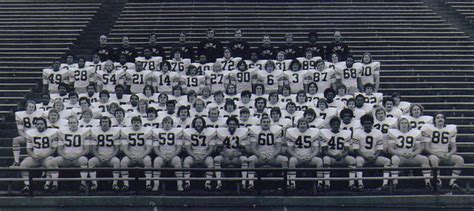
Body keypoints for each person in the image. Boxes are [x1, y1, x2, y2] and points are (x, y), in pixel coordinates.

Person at [421, 113, 464, 189]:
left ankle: (452, 182)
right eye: (438, 118)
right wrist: (437, 154)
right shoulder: (428, 129)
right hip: (433, 154)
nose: (440, 119)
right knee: (434, 160)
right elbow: (426, 148)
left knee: (459, 160)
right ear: (434, 120)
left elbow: (454, 148)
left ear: (444, 120)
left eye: (442, 117)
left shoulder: (450, 129)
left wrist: (449, 154)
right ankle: (437, 180)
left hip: (445, 154)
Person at [388, 117, 431, 190]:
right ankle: (395, 183)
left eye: (405, 123)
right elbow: (390, 149)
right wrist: (400, 153)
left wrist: (413, 153)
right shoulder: (393, 133)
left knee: (424, 159)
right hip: (400, 156)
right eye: (402, 123)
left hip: (411, 156)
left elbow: (419, 149)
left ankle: (427, 182)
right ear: (399, 125)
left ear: (408, 125)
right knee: (394, 159)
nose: (404, 125)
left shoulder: (414, 133)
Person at [248, 116, 288, 189]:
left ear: (270, 123)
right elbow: (253, 148)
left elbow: (279, 147)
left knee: (284, 160)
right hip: (260, 156)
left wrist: (272, 156)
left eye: (267, 122)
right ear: (260, 123)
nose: (266, 124)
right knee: (251, 160)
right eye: (264, 122)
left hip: (272, 156)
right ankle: (251, 184)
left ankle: (285, 183)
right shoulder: (255, 132)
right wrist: (260, 155)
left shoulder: (276, 132)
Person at [19, 118, 58, 192]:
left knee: (52, 163)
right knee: (23, 164)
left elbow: (54, 148)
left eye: (41, 124)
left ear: (45, 125)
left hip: (47, 156)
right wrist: (33, 156)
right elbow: (28, 149)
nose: (39, 126)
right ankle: (27, 184)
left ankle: (48, 183)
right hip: (35, 157)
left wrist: (44, 156)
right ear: (35, 125)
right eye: (38, 124)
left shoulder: (52, 132)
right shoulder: (31, 133)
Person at [353, 114, 391, 190]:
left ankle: (385, 184)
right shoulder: (357, 132)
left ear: (372, 124)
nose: (368, 125)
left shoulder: (378, 132)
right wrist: (365, 156)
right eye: (366, 123)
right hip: (363, 156)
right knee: (358, 161)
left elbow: (379, 148)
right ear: (362, 124)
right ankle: (360, 184)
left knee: (387, 161)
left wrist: (375, 156)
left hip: (374, 156)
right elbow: (356, 149)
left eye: (369, 123)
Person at [53, 116, 90, 191]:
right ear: (68, 124)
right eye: (70, 123)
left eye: (74, 123)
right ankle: (54, 184)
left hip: (78, 157)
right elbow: (59, 150)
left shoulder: (84, 132)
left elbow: (87, 150)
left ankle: (83, 183)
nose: (72, 124)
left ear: (77, 123)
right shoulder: (63, 133)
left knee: (84, 161)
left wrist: (77, 155)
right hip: (66, 157)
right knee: (52, 162)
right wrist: (64, 155)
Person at [286, 118, 323, 190]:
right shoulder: (292, 133)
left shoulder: (313, 133)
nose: (302, 125)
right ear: (298, 125)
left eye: (304, 124)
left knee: (319, 161)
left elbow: (316, 149)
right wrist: (297, 157)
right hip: (297, 157)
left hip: (309, 158)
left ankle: (320, 183)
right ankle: (292, 183)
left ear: (307, 125)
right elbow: (289, 149)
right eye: (301, 124)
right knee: (292, 160)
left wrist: (310, 157)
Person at [321, 117, 356, 191]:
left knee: (352, 160)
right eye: (334, 124)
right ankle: (327, 184)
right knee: (325, 159)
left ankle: (351, 184)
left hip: (342, 157)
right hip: (331, 156)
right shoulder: (325, 133)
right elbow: (324, 151)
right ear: (331, 125)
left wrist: (342, 155)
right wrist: (333, 155)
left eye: (337, 124)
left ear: (340, 125)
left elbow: (346, 150)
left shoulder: (345, 133)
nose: (336, 126)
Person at [215, 117, 250, 190]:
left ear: (237, 125)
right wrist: (223, 154)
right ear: (227, 125)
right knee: (217, 159)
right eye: (230, 124)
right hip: (225, 157)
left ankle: (243, 183)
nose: (232, 126)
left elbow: (244, 149)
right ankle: (219, 183)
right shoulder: (222, 133)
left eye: (234, 124)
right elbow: (218, 149)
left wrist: (238, 154)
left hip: (236, 157)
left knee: (244, 159)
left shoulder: (241, 133)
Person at [183, 116, 217, 190]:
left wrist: (204, 156)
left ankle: (208, 183)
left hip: (205, 155)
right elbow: (188, 148)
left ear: (203, 124)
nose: (198, 124)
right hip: (194, 155)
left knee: (210, 161)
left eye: (200, 122)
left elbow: (211, 148)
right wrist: (194, 156)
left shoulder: (209, 133)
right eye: (197, 123)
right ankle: (187, 182)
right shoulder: (189, 133)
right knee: (186, 161)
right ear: (194, 124)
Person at [120, 116, 154, 191]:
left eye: (138, 122)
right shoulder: (126, 132)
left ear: (141, 124)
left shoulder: (147, 131)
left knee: (147, 161)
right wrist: (130, 155)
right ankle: (126, 184)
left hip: (143, 155)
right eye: (134, 122)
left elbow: (149, 148)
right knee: (123, 162)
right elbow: (125, 148)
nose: (136, 124)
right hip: (131, 155)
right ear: (131, 124)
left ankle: (148, 184)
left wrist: (142, 155)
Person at [152, 116, 185, 191]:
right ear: (162, 124)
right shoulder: (157, 132)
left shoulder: (177, 132)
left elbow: (179, 148)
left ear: (172, 124)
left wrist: (172, 156)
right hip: (162, 155)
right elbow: (156, 148)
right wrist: (162, 156)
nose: (167, 124)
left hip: (173, 155)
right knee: (156, 162)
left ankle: (180, 185)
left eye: (168, 122)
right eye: (165, 122)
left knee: (177, 161)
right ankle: (156, 185)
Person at [89, 116, 122, 191]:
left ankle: (115, 183)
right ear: (100, 123)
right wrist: (99, 156)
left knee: (117, 162)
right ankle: (94, 184)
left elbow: (117, 149)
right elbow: (94, 149)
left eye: (106, 122)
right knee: (91, 162)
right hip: (100, 156)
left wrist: (110, 157)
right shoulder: (96, 132)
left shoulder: (114, 132)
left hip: (111, 156)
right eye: (103, 122)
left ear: (109, 123)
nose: (105, 123)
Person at [12, 101, 44, 166]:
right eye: (29, 106)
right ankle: (16, 161)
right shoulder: (20, 115)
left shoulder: (39, 114)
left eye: (33, 107)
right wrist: (27, 137)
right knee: (16, 140)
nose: (31, 108)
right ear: (26, 107)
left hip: (37, 136)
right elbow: (20, 131)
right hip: (27, 135)